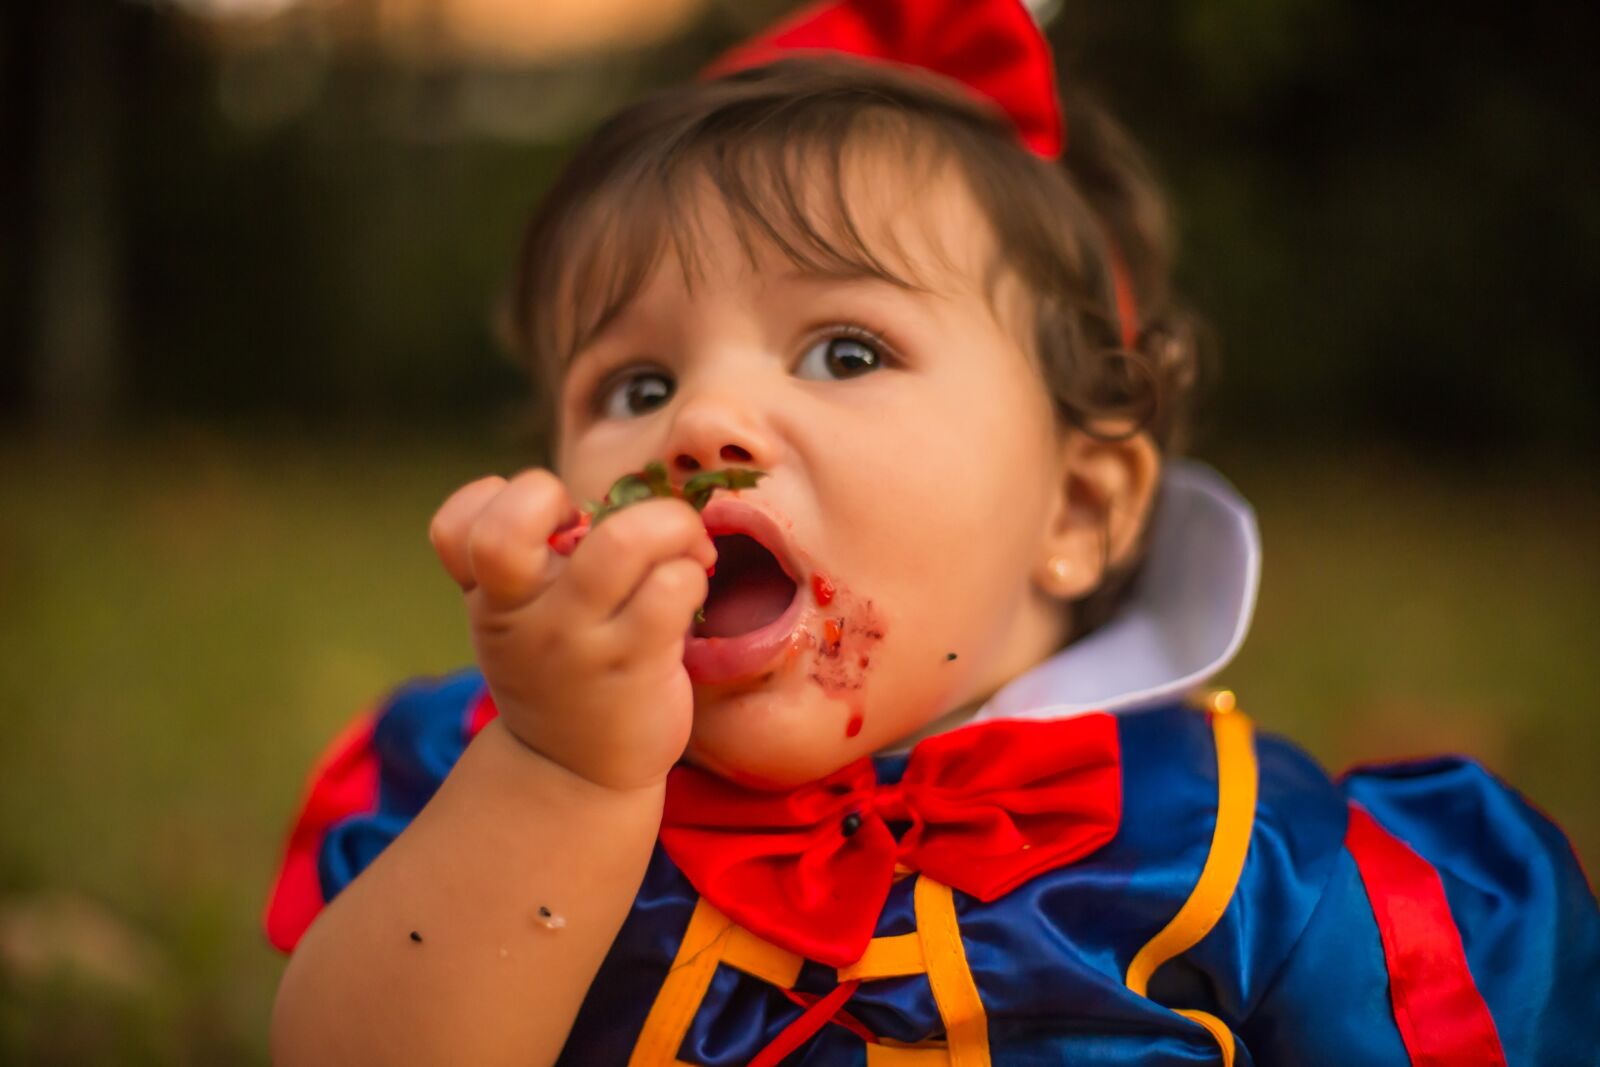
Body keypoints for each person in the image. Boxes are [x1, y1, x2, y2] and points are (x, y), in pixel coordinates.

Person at [264, 0, 1600, 1063]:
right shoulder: (477, 780)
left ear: (1075, 508)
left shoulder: (1256, 863)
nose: (701, 423)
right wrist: (560, 778)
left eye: (845, 349)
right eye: (636, 385)